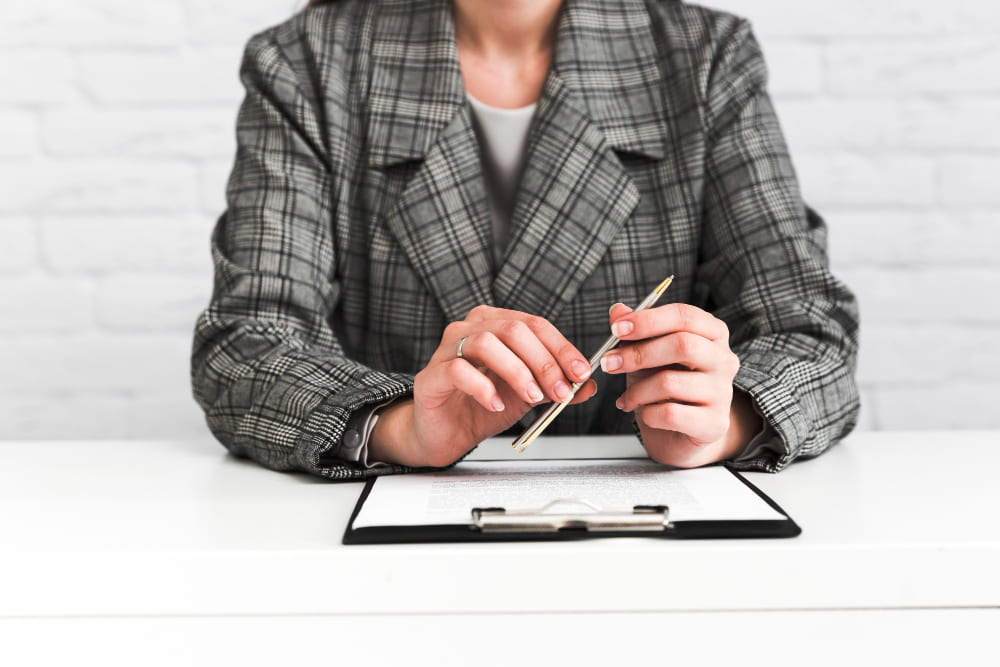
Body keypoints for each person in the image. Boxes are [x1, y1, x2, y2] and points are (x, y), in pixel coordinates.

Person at [191, 0, 860, 480]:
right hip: (400, 543)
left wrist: (722, 418)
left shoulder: (706, 58)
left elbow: (810, 331)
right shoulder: (307, 62)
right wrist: (402, 426)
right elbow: (245, 342)